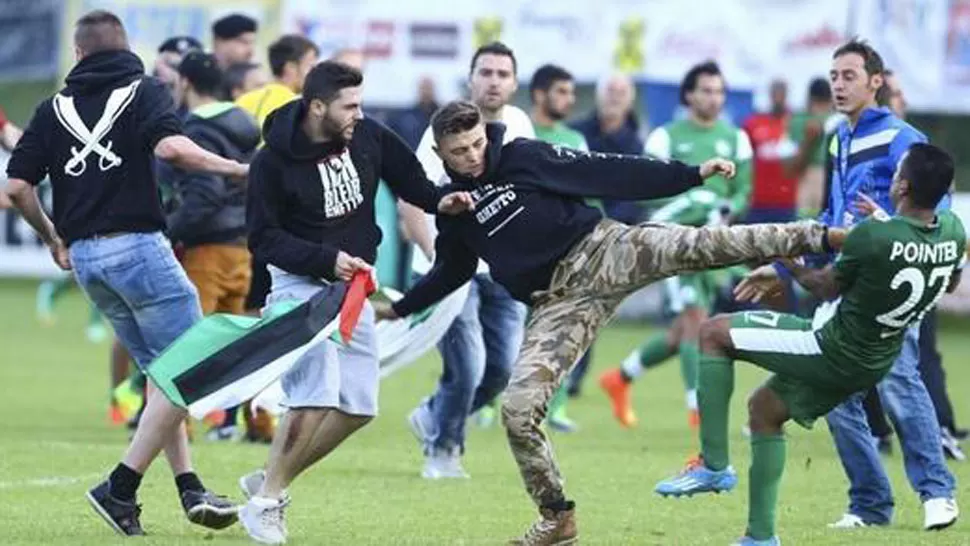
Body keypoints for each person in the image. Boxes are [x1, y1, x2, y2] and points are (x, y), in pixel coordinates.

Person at [375, 99, 845, 545]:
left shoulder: (522, 156)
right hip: (558, 306)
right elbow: (450, 271)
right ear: (440, 153)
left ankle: (821, 235)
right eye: (459, 151)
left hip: (604, 252)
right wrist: (398, 308)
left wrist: (689, 175)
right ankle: (557, 517)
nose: (473, 156)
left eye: (477, 143)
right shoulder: (454, 211)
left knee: (704, 246)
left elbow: (606, 170)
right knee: (516, 411)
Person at [3, 10, 249, 535]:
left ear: (77, 54)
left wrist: (52, 239)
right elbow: (172, 148)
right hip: (140, 249)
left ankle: (189, 488)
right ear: (125, 47)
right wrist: (238, 168)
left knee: (166, 378)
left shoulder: (51, 110)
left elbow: (18, 188)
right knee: (190, 369)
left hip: (89, 263)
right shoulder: (146, 90)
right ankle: (121, 486)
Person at [655, 142, 965, 546]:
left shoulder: (873, 236)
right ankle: (760, 538)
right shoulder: (952, 232)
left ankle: (713, 465)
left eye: (895, 175)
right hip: (876, 359)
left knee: (713, 332)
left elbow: (823, 285)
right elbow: (946, 276)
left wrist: (787, 258)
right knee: (764, 409)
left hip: (829, 346)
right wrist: (887, 228)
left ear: (902, 186)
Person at [234, 61, 472, 544]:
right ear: (317, 106)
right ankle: (265, 505)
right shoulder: (271, 162)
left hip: (354, 287)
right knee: (314, 395)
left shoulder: (369, 135)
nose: (359, 115)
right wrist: (326, 259)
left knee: (359, 406)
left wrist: (442, 201)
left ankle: (270, 478)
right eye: (350, 106)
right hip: (300, 287)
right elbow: (263, 238)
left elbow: (415, 185)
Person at [397, 41, 534, 479]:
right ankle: (444, 451)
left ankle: (433, 413)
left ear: (513, 83)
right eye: (486, 72)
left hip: (502, 269)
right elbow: (411, 203)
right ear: (471, 78)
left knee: (502, 369)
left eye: (502, 73)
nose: (493, 81)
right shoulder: (444, 129)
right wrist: (439, 259)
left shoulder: (519, 124)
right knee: (468, 365)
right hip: (451, 269)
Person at [600, 61, 752, 429]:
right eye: (706, 90)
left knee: (683, 330)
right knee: (695, 323)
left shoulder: (736, 138)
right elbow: (650, 192)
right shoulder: (664, 137)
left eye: (719, 91)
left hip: (714, 242)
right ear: (689, 95)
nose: (713, 98)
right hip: (673, 242)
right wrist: (697, 205)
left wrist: (724, 212)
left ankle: (619, 378)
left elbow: (744, 191)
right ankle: (697, 411)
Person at [161, 51, 261, 442]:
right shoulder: (244, 122)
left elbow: (203, 194)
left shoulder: (197, 129)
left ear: (184, 83)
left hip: (207, 250)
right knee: (234, 342)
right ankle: (253, 421)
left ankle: (174, 425)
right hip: (241, 246)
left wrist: (169, 232)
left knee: (187, 344)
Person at [527, 63, 589, 434]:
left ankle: (557, 406)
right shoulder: (520, 132)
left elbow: (586, 191)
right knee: (508, 329)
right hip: (519, 246)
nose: (569, 99)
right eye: (562, 91)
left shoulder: (575, 141)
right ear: (539, 94)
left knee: (561, 328)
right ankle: (488, 403)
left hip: (561, 248)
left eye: (571, 92)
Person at [743, 78, 799, 223]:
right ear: (770, 95)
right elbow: (743, 160)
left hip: (787, 202)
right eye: (776, 93)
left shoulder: (796, 124)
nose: (778, 98)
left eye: (782, 94)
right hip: (758, 202)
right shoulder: (753, 123)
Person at [787, 77, 838, 219]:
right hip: (812, 177)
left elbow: (789, 169)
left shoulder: (839, 120)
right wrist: (809, 140)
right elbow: (789, 169)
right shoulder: (800, 121)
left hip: (828, 176)